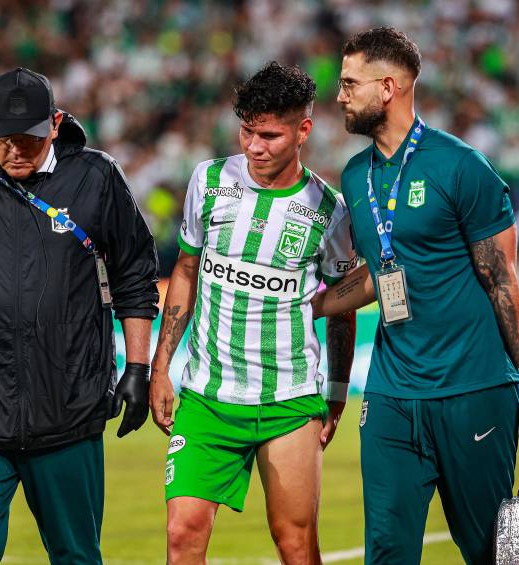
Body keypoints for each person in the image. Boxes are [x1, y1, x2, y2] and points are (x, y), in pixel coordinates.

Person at [311, 28, 519, 565]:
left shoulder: (462, 165)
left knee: (500, 553)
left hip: (476, 390)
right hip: (393, 396)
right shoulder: (355, 175)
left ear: (389, 86)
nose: (340, 94)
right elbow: (379, 276)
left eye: (351, 83)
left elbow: (501, 279)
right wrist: (308, 302)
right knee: (387, 551)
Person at [0, 67, 159, 564]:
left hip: (69, 412)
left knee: (77, 556)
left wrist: (137, 368)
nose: (17, 149)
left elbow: (135, 277)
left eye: (30, 139)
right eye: (5, 140)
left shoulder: (97, 176)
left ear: (56, 123)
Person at [149, 62, 358, 565]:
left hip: (288, 400)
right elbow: (186, 268)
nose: (254, 146)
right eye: (247, 131)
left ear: (303, 130)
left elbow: (344, 307)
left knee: (294, 542)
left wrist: (335, 391)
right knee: (182, 533)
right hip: (207, 395)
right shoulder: (210, 179)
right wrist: (161, 367)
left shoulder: (329, 209)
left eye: (269, 135)